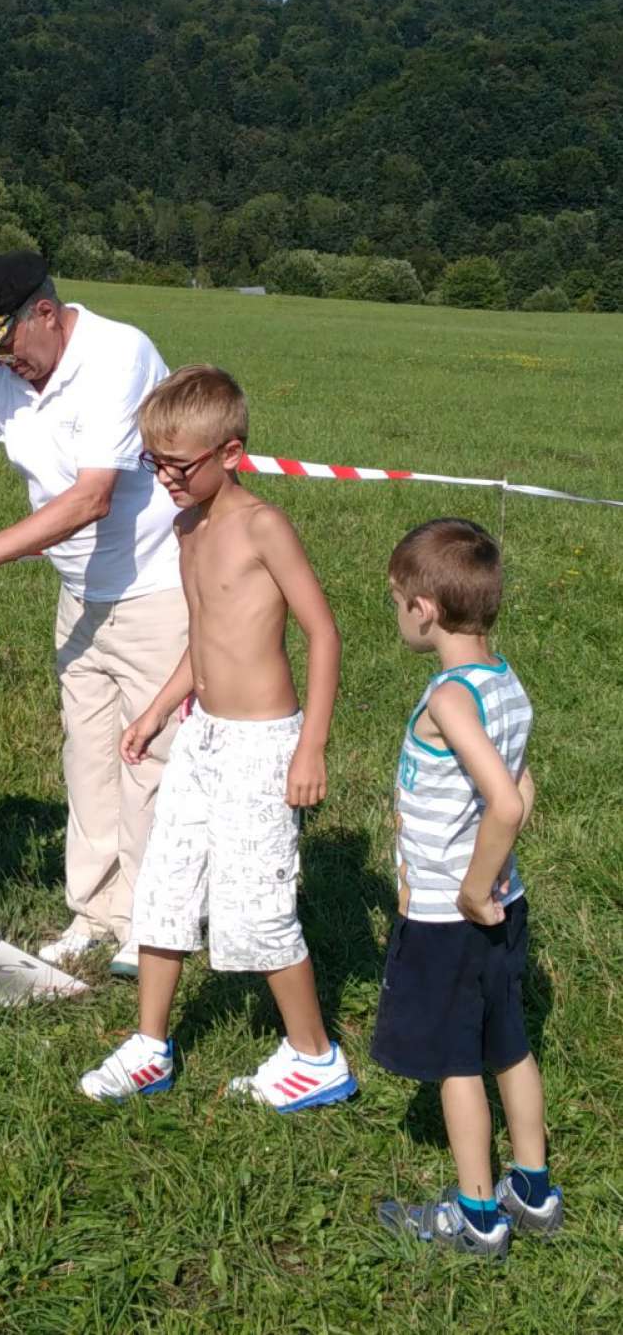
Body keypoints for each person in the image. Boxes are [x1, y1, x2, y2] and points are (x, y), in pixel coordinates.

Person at [0, 251, 187, 977]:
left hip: (155, 588)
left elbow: (92, 497)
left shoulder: (117, 356)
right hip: (80, 594)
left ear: (45, 314)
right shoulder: (1, 374)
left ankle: (150, 921)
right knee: (88, 754)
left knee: (148, 758)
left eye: (8, 344)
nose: (3, 363)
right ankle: (95, 911)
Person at [79, 364, 356, 1111]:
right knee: (164, 885)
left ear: (230, 453)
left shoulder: (263, 526)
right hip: (201, 737)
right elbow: (203, 639)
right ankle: (149, 1047)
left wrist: (311, 747)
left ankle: (316, 1057)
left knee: (256, 905)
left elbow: (323, 634)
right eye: (154, 462)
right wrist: (156, 711)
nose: (165, 478)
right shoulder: (186, 528)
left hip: (262, 744)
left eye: (179, 464)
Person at [373, 518, 561, 1257]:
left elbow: (506, 803)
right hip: (503, 907)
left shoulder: (450, 699)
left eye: (397, 601)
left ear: (424, 609)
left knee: (456, 1064)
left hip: (449, 915)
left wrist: (473, 889)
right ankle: (534, 1190)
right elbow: (523, 781)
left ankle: (478, 1216)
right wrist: (499, 881)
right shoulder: (504, 682)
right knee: (509, 1043)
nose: (397, 613)